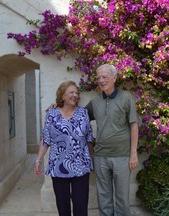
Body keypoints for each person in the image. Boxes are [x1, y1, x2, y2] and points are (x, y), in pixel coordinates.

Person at [85, 64, 139, 216]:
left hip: (122, 156)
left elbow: (134, 125)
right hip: (101, 156)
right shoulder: (95, 102)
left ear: (114, 78)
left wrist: (133, 154)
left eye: (105, 77)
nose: (101, 80)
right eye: (99, 78)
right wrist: (60, 106)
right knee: (103, 197)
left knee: (122, 198)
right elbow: (79, 116)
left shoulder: (126, 98)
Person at [34, 80, 94, 216]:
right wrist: (38, 159)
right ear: (62, 95)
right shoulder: (51, 113)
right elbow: (46, 139)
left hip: (81, 166)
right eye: (71, 92)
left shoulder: (83, 113)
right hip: (58, 166)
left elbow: (89, 138)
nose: (75, 95)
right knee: (63, 208)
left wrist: (93, 158)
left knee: (81, 206)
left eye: (77, 93)